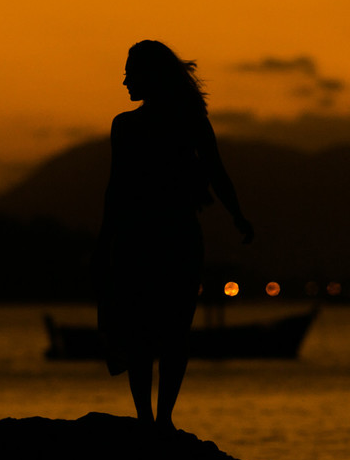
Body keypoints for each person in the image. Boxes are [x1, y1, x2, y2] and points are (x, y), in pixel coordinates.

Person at [95, 40, 254, 436]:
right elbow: (116, 189)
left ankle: (156, 419)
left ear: (151, 76)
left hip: (161, 237)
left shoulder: (184, 124)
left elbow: (216, 172)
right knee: (154, 331)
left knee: (163, 331)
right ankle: (152, 419)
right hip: (153, 236)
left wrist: (237, 214)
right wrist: (105, 241)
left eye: (131, 72)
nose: (125, 80)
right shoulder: (128, 125)